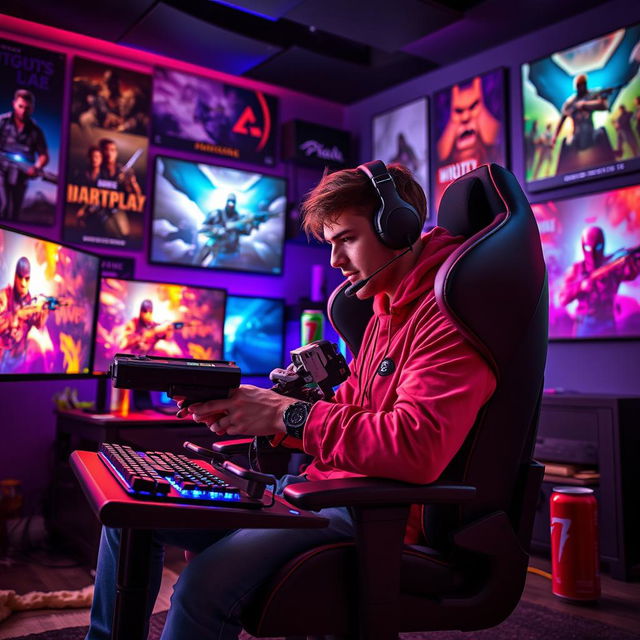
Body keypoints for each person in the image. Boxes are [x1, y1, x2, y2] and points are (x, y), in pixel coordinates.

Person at [85, 163, 497, 640]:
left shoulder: (447, 318)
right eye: (330, 244)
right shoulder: (386, 309)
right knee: (135, 509)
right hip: (313, 493)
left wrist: (287, 413)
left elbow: (416, 447)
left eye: (346, 239)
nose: (335, 261)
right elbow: (358, 413)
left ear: (398, 226)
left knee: (202, 584)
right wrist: (261, 416)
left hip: (367, 513)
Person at [558, 225, 640, 337]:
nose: (592, 253)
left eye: (597, 247)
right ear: (583, 246)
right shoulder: (576, 269)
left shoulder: (613, 265)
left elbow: (630, 273)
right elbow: (562, 299)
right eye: (588, 248)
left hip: (607, 321)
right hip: (584, 324)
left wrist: (634, 263)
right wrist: (580, 287)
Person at [0, 89, 50, 221]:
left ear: (32, 109)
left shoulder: (35, 130)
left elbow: (44, 155)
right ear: (14, 104)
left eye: (27, 108)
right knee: (3, 205)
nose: (23, 111)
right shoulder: (2, 122)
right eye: (20, 106)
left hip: (21, 176)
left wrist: (37, 167)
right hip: (1, 172)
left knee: (14, 212)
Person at [552, 74, 615, 173]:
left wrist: (585, 105)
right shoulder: (570, 102)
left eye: (584, 84)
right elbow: (562, 119)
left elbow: (603, 105)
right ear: (577, 87)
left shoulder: (591, 95)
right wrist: (554, 137)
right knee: (565, 143)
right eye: (580, 85)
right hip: (576, 137)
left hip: (591, 134)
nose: (582, 87)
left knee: (602, 131)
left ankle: (613, 166)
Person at [0, 257, 49, 372]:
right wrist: (15, 316)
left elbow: (38, 325)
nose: (23, 283)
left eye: (27, 279)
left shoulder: (31, 302)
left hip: (19, 361)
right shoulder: (4, 297)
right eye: (20, 277)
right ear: (15, 276)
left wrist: (42, 317)